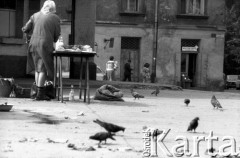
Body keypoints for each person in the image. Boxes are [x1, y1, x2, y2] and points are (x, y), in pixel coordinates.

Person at [22, 0, 61, 100]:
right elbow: (57, 34)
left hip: (33, 44)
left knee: (37, 68)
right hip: (44, 45)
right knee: (43, 68)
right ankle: (40, 94)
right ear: (53, 8)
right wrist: (55, 40)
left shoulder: (35, 15)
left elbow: (25, 29)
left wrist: (28, 36)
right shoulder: (55, 18)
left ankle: (36, 93)